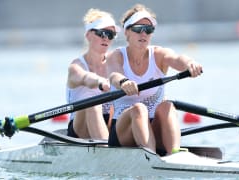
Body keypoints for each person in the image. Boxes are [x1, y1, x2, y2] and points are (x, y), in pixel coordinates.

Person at [107, 4, 203, 155]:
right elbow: (114, 75)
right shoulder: (116, 56)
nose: (143, 34)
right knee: (139, 108)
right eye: (138, 29)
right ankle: (151, 157)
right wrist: (124, 82)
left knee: (167, 106)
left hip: (154, 128)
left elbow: (178, 59)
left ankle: (175, 154)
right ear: (127, 32)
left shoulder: (159, 54)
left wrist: (190, 63)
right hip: (124, 131)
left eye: (149, 30)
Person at [66, 8, 120, 139]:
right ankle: (107, 153)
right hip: (80, 127)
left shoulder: (116, 63)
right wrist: (100, 82)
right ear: (88, 35)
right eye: (102, 33)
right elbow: (85, 78)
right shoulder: (76, 66)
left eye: (111, 34)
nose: (106, 38)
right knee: (92, 102)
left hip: (110, 121)